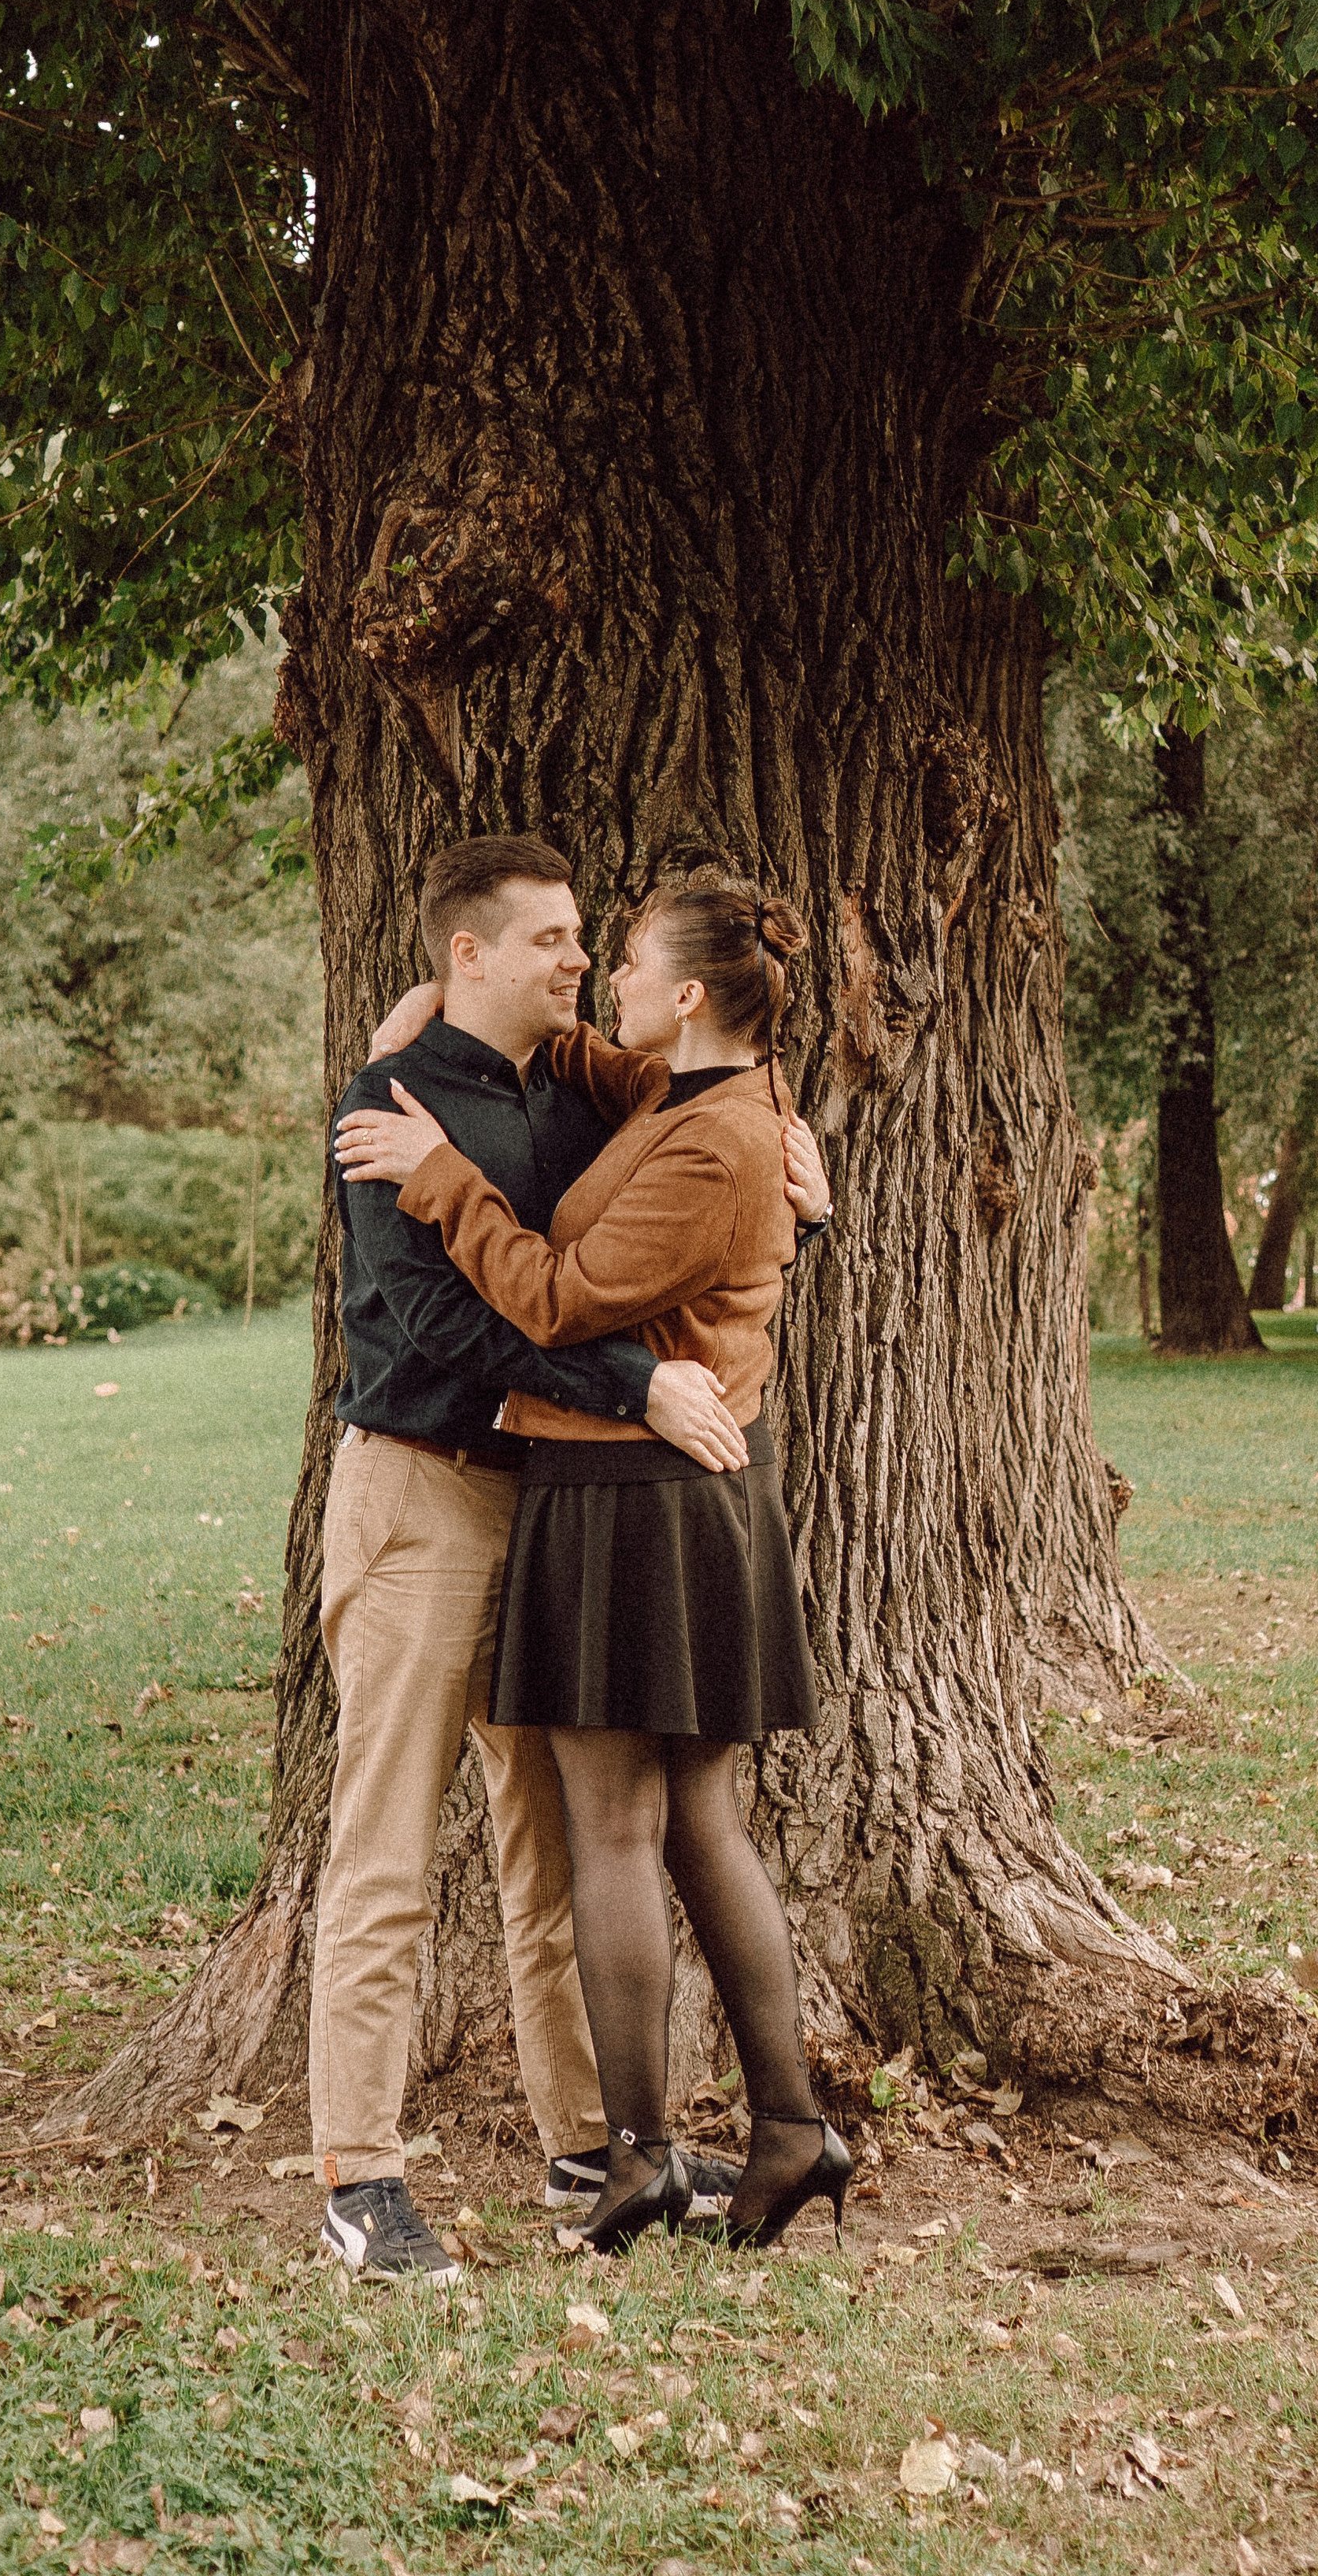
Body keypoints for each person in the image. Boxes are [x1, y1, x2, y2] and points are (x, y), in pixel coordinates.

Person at [314, 835, 831, 2285]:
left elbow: (710, 1128)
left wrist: (802, 1172)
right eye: (549, 938)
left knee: (555, 1849)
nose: (578, 960)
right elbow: (444, 1328)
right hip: (423, 1498)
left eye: (591, 940)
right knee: (388, 1849)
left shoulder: (578, 1086)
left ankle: (595, 2144)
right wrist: (629, 1386)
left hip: (555, 1508)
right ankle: (360, 2177)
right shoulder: (393, 1103)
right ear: (466, 953)